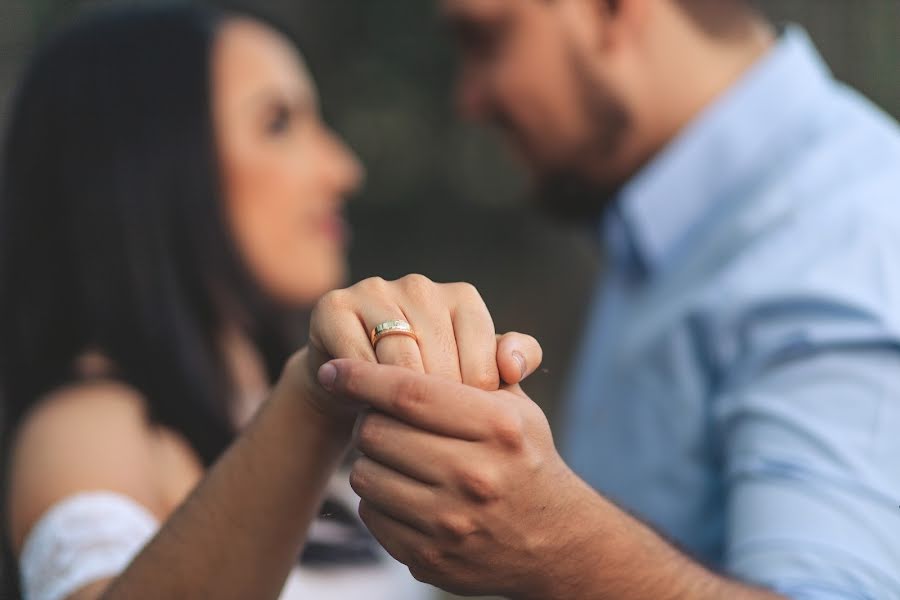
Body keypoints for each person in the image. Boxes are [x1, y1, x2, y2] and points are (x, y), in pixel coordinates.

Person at [320, 0, 900, 598]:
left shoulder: (844, 239)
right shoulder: (669, 218)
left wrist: (555, 542)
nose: (469, 100)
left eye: (485, 38)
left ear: (614, 11)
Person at [0, 5, 541, 599]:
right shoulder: (91, 424)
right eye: (279, 122)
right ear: (146, 164)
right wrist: (308, 399)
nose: (343, 170)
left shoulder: (282, 421)